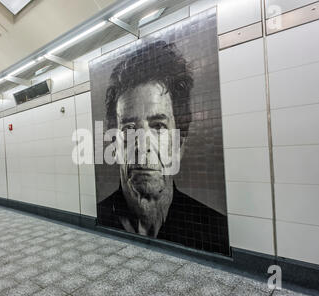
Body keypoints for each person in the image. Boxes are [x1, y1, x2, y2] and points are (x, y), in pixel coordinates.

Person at [97, 41, 229, 255]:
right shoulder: (100, 218)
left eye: (158, 126)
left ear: (180, 141)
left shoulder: (216, 233)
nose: (142, 145)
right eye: (129, 129)